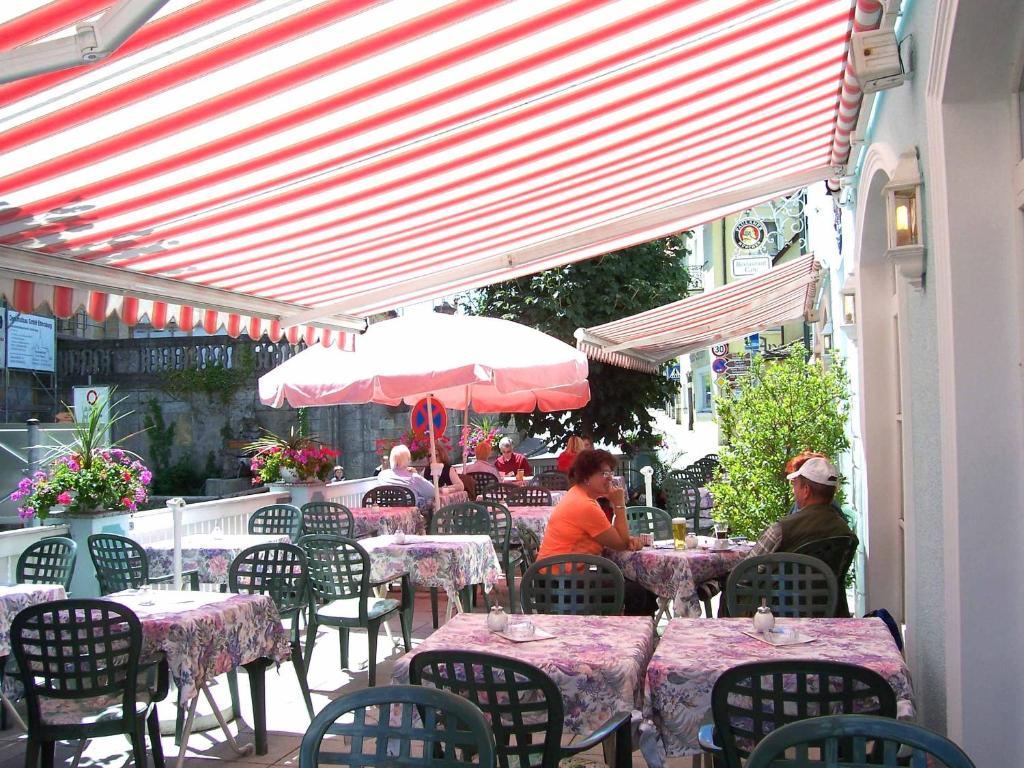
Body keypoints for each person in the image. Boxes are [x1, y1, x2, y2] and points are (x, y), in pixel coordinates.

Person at [538, 449, 658, 616]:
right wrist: (619, 504)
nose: (610, 478)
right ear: (586, 477)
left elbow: (613, 538)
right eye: (603, 473)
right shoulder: (585, 505)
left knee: (642, 588)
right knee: (637, 592)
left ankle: (639, 630)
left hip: (552, 576)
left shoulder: (578, 495)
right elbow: (621, 543)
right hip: (560, 583)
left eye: (610, 472)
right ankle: (631, 632)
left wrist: (625, 539)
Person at [747, 456, 854, 557]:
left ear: (806, 490)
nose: (793, 490)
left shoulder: (781, 530)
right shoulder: (846, 534)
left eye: (795, 484)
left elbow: (748, 565)